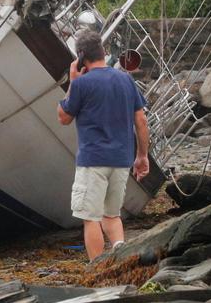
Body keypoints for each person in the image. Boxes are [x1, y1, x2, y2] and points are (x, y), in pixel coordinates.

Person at [57, 29, 150, 261]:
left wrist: (72, 82)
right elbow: (141, 120)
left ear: (81, 57)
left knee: (91, 218)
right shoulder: (126, 79)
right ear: (104, 52)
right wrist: (142, 156)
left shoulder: (82, 84)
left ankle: (98, 269)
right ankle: (121, 257)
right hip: (121, 160)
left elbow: (63, 118)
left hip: (93, 160)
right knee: (112, 216)